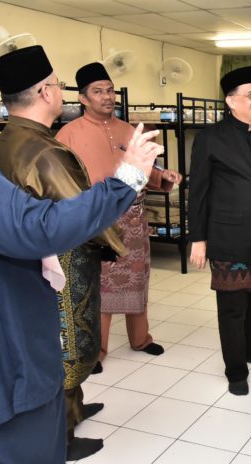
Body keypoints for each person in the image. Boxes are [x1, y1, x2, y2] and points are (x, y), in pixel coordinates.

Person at [0, 58, 161, 464]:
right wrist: (129, 179)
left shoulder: (2, 145)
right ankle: (64, 428)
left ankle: (70, 413)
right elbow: (44, 224)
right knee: (72, 351)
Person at [56, 62, 182, 370]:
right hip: (98, 220)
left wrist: (163, 176)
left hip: (135, 220)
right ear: (83, 98)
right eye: (98, 91)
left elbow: (146, 167)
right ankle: (97, 350)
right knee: (100, 286)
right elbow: (61, 181)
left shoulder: (129, 130)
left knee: (138, 279)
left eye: (110, 90)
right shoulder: (68, 134)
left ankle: (141, 339)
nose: (107, 97)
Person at [188, 66, 251, 396]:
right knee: (233, 307)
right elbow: (198, 192)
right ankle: (235, 371)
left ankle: (249, 349)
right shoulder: (210, 139)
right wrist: (198, 238)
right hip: (228, 237)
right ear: (231, 101)